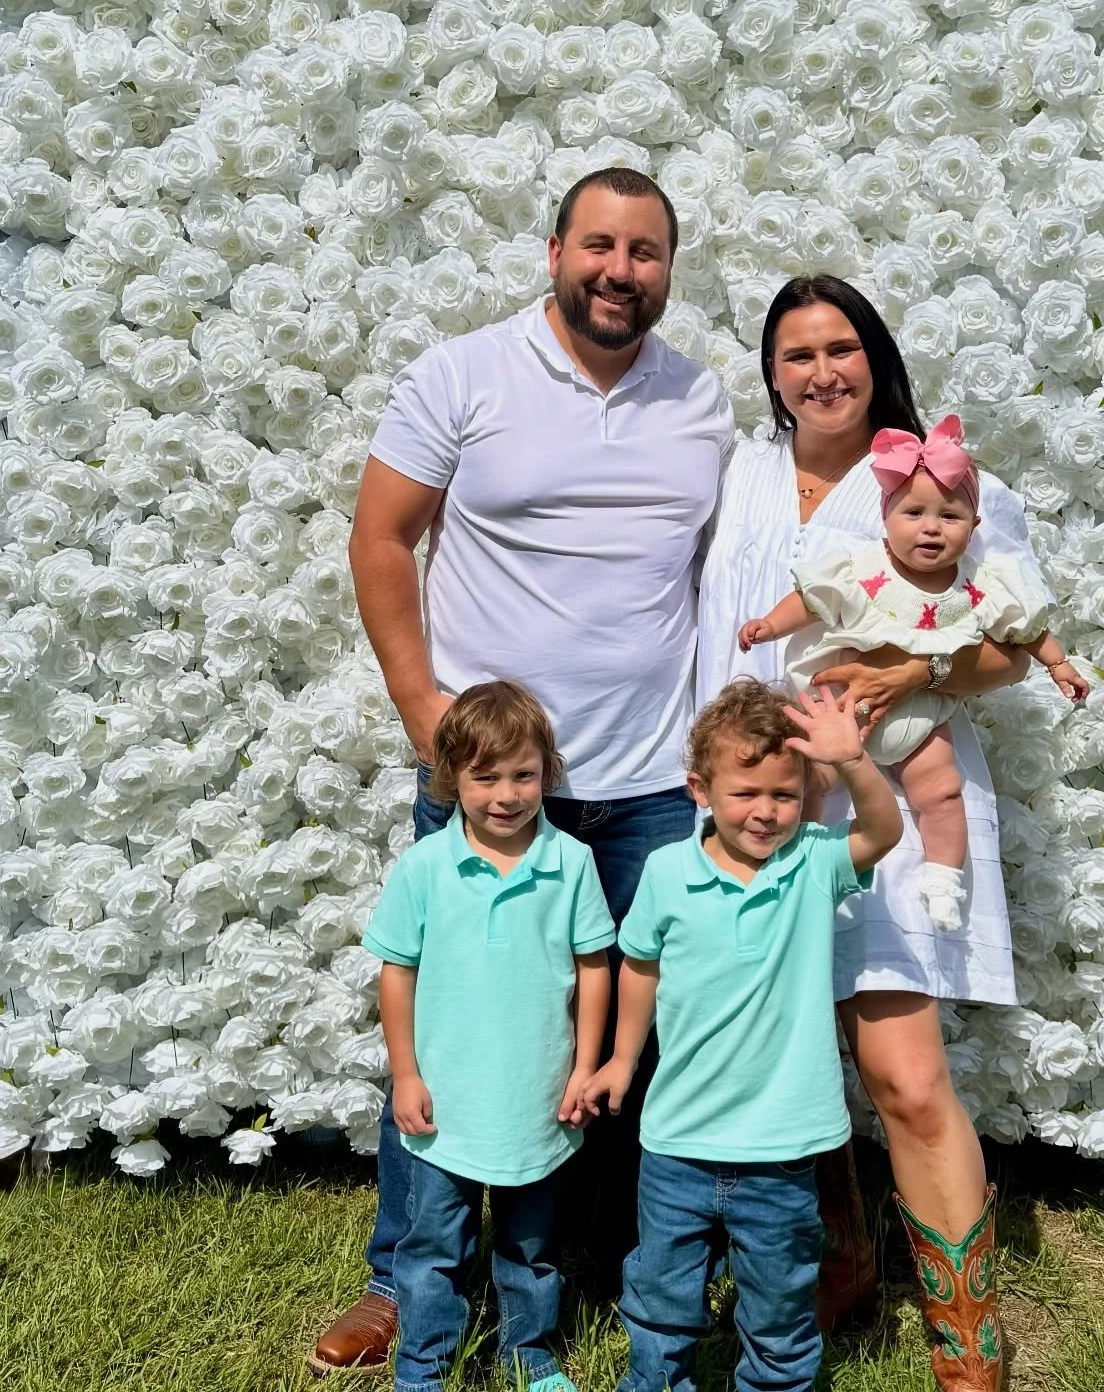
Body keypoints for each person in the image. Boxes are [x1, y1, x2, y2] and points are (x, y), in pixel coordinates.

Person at [309, 168, 734, 1376]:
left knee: (616, 1043)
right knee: (450, 1020)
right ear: (554, 249)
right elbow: (382, 533)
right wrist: (418, 703)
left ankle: (571, 1265)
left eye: (646, 251)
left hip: (649, 783)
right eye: (598, 243)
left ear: (668, 268)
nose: (620, 268)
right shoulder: (463, 374)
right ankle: (405, 1276)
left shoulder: (698, 399)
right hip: (492, 782)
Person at [697, 274, 1050, 1392]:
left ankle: (968, 1350)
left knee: (902, 1071)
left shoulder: (938, 477)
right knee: (783, 1051)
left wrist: (912, 664)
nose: (820, 372)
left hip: (891, 803)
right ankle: (841, 1268)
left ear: (876, 356)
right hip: (754, 808)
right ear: (771, 373)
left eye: (840, 347)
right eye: (795, 354)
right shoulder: (738, 472)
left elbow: (1010, 640)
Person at [583, 679, 903, 1392]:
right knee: (661, 1293)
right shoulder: (667, 873)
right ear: (700, 788)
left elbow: (884, 832)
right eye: (745, 793)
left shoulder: (812, 863)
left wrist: (852, 760)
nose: (766, 812)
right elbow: (639, 966)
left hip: (784, 1145)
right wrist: (620, 1059)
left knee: (782, 1299)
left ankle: (776, 1382)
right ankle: (658, 1381)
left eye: (784, 796)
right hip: (677, 1142)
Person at [739, 414, 1087, 931]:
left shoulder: (980, 584)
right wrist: (769, 624)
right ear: (887, 518)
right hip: (846, 707)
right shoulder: (864, 569)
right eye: (914, 513)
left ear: (974, 526)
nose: (931, 527)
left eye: (950, 516)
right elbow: (813, 601)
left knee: (942, 791)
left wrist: (1058, 663)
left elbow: (1024, 631)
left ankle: (944, 880)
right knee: (813, 776)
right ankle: (792, 862)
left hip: (922, 716)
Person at [363, 681, 614, 1392]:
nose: (506, 794)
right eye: (485, 777)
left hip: (540, 1097)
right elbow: (397, 974)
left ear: (547, 774)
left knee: (533, 1246)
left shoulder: (571, 863)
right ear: (450, 779)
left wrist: (585, 1067)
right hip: (446, 1101)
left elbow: (594, 968)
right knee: (433, 1244)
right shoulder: (425, 868)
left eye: (524, 775)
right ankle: (423, 1365)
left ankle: (527, 1353)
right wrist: (405, 1074)